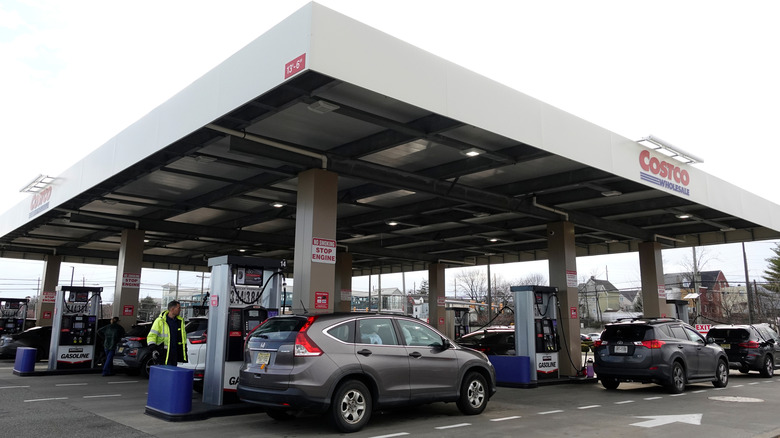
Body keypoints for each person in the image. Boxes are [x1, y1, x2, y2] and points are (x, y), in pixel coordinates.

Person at [147, 300, 187, 366]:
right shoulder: (160, 321)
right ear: (172, 309)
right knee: (163, 374)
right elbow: (152, 336)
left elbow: (182, 338)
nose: (180, 310)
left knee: (172, 374)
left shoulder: (180, 321)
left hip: (174, 354)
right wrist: (153, 349)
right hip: (163, 354)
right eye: (179, 308)